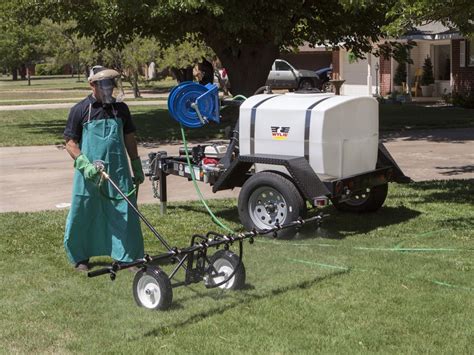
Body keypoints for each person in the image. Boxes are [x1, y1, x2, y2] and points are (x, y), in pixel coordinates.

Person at [63, 66, 145, 271]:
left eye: (111, 84)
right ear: (92, 85)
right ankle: (80, 256)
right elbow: (70, 142)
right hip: (89, 175)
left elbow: (129, 138)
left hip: (118, 171)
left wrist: (136, 165)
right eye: (104, 85)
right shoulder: (80, 110)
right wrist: (85, 165)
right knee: (84, 211)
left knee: (124, 211)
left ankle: (127, 256)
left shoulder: (121, 109)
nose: (109, 89)